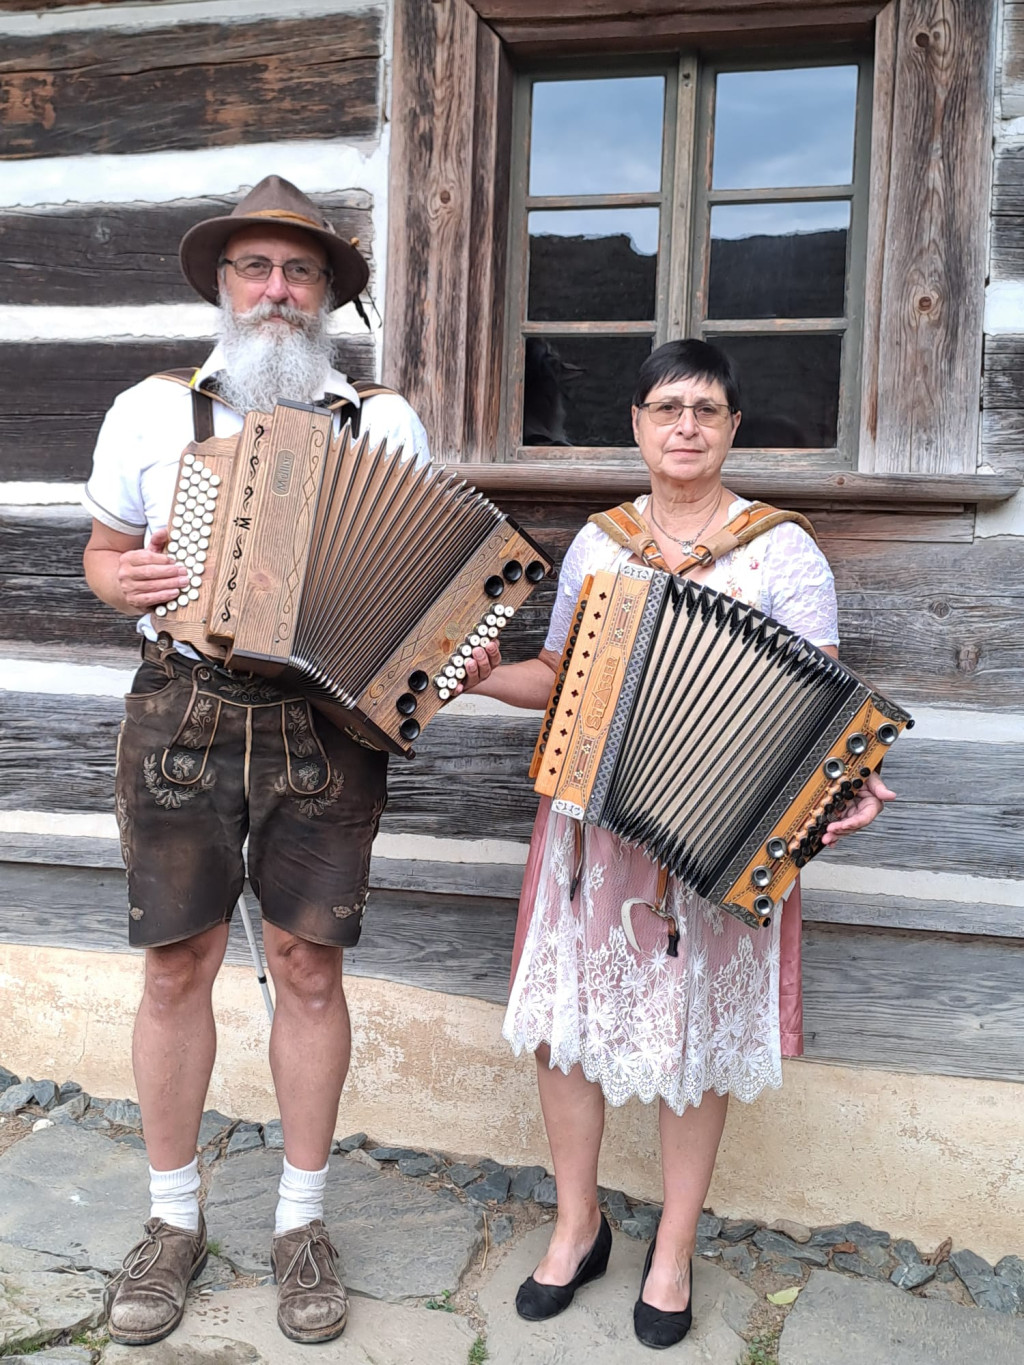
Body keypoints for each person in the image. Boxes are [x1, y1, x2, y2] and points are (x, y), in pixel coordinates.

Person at [82, 175, 498, 1347]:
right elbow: (102, 557)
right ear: (223, 287)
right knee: (176, 966)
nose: (275, 290)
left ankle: (300, 1219)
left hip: (326, 724)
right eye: (253, 270)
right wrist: (131, 581)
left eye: (298, 272)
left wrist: (451, 640)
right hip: (183, 707)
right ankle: (174, 1220)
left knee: (310, 972)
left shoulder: (387, 422)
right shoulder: (150, 410)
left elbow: (432, 582)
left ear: (326, 297)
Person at [468, 339, 894, 1349]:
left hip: (720, 835)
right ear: (638, 424)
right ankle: (577, 1227)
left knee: (697, 1039)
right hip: (593, 831)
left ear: (733, 426)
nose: (686, 426)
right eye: (667, 408)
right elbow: (561, 676)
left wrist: (854, 777)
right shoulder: (598, 544)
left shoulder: (779, 549)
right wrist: (484, 675)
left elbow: (822, 704)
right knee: (565, 1026)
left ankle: (673, 1248)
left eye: (705, 408)